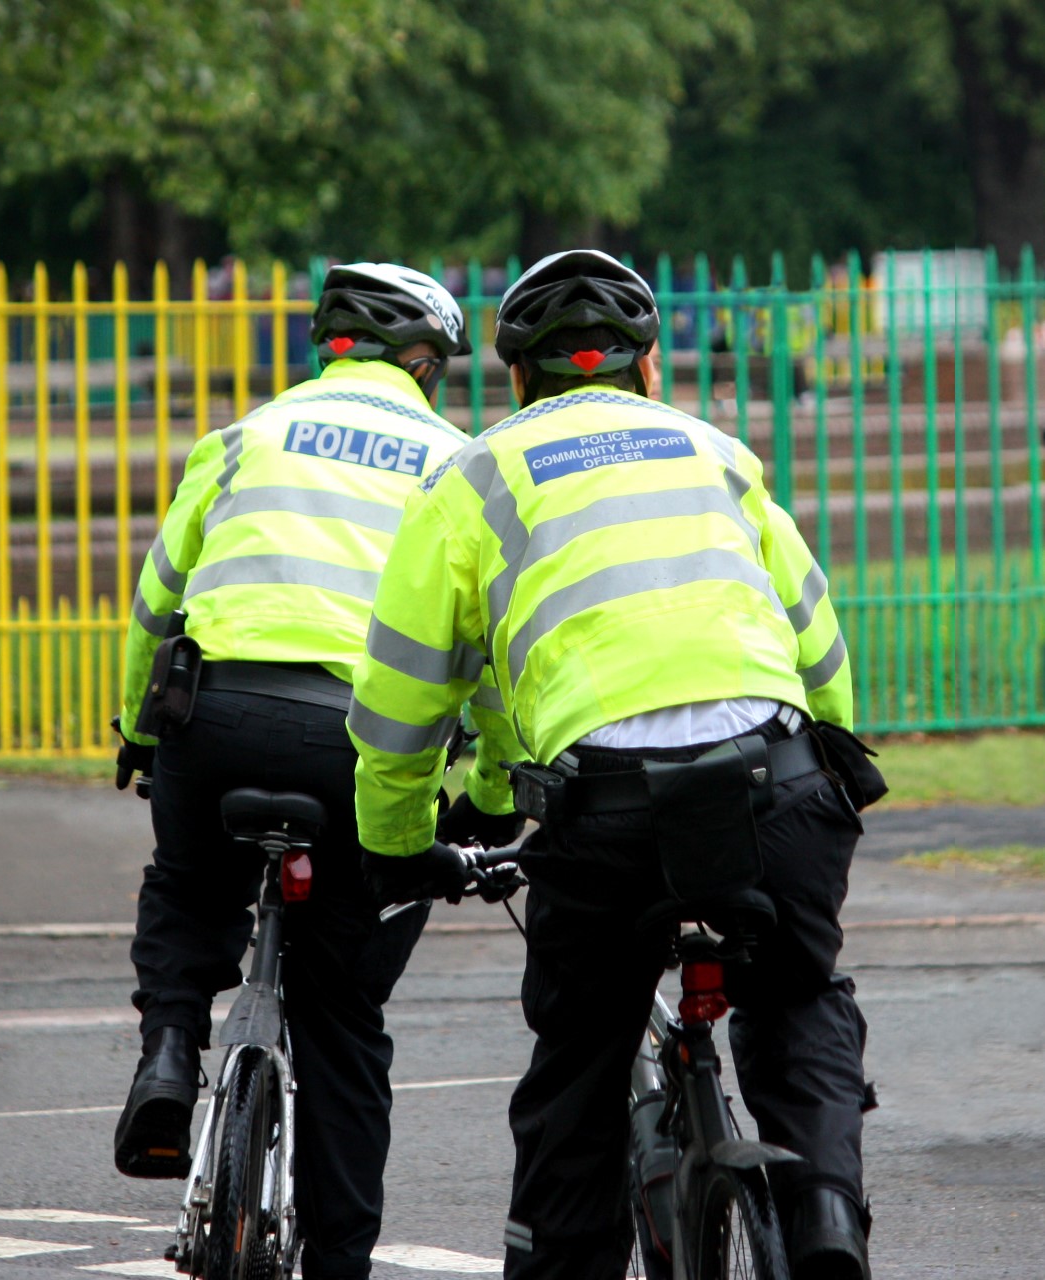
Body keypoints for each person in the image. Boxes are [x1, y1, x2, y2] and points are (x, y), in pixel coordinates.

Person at [347, 249, 878, 1280]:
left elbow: (406, 699)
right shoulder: (715, 449)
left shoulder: (476, 474)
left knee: (579, 1074)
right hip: (777, 780)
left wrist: (398, 843)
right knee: (799, 995)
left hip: (610, 812)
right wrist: (839, 762)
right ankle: (823, 1217)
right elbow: (816, 638)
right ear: (645, 369)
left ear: (516, 380)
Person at [112, 262, 478, 1280]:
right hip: (358, 742)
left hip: (215, 712)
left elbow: (158, 599)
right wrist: (485, 779)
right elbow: (481, 640)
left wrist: (137, 728)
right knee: (344, 1017)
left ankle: (171, 1054)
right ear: (421, 363)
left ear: (330, 349)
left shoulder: (243, 437)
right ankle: (342, 1262)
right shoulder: (456, 461)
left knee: (188, 889)